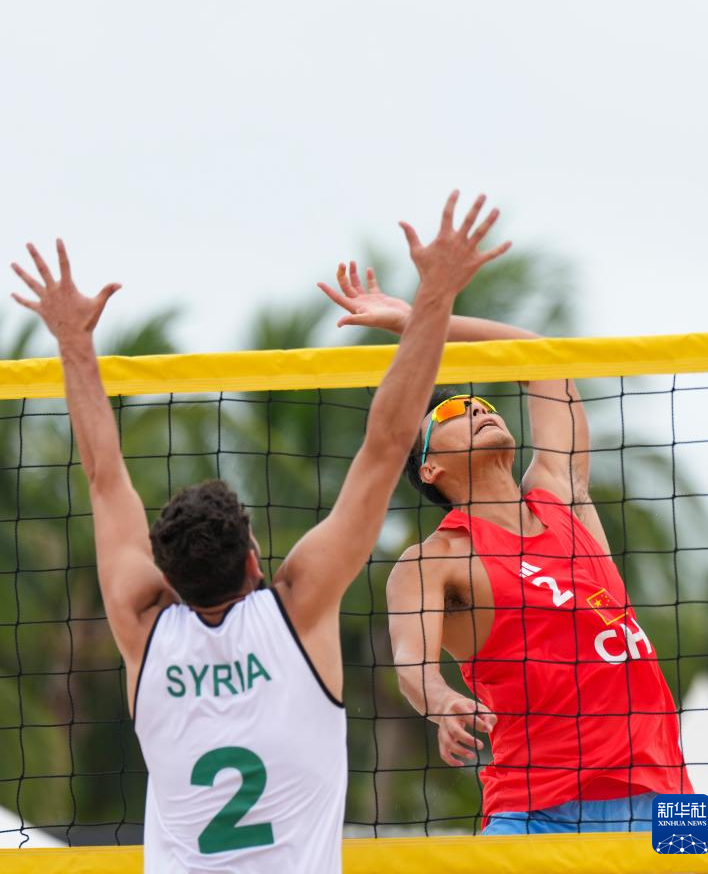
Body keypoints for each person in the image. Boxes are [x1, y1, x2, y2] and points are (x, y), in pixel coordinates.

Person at [10, 192, 510, 872]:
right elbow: (389, 440)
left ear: (167, 577)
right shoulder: (297, 608)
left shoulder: (141, 624)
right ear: (253, 559)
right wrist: (436, 296)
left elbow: (103, 477)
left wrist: (71, 341)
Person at [318, 264, 693, 835]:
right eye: (448, 413)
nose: (475, 408)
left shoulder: (562, 499)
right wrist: (441, 700)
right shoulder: (436, 558)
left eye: (478, 403)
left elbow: (538, 356)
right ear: (430, 466)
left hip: (666, 795)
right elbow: (412, 663)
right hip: (541, 808)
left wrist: (420, 322)